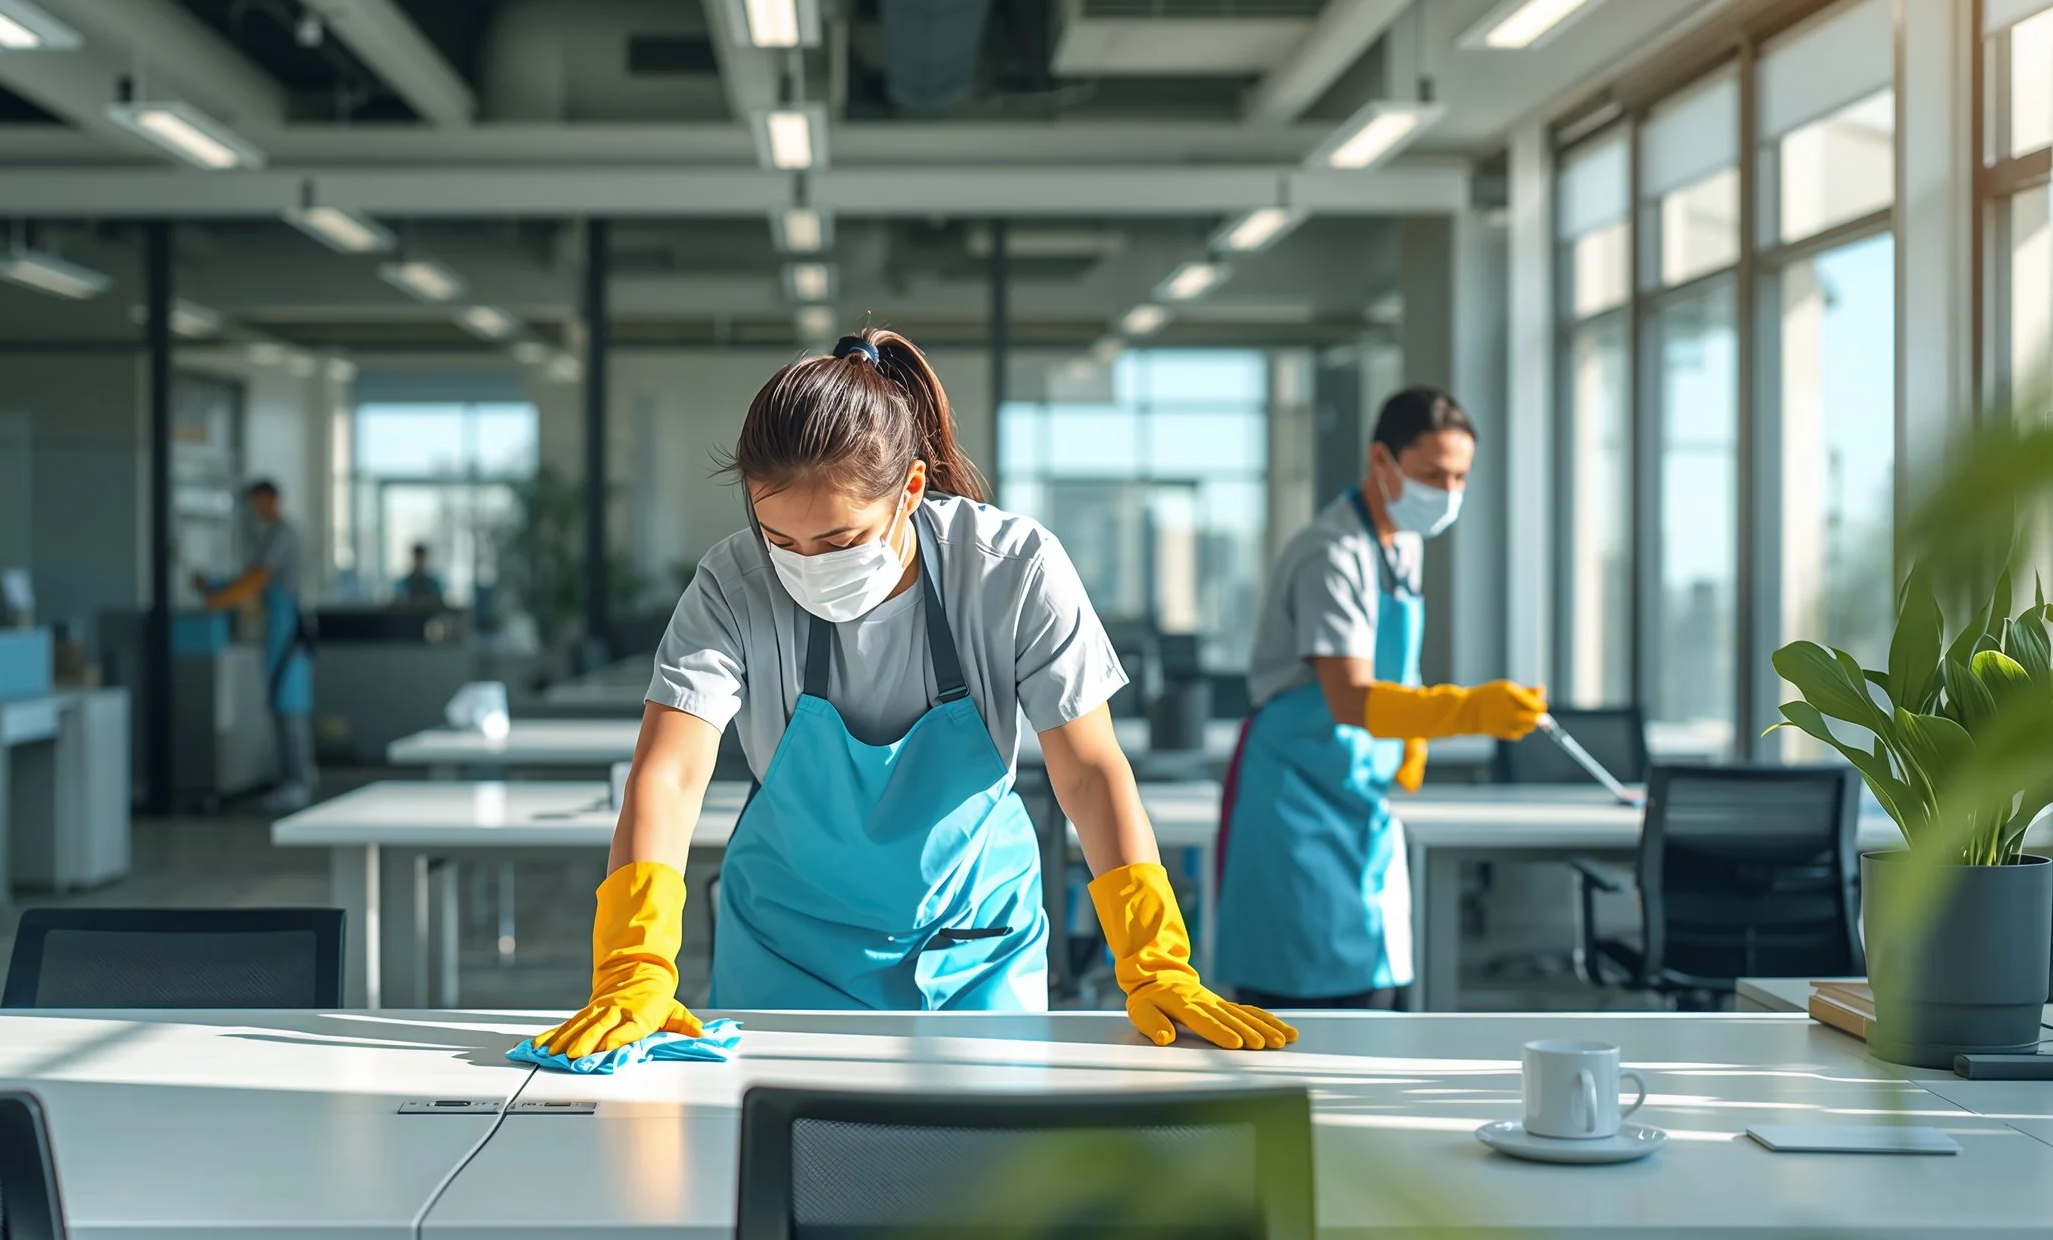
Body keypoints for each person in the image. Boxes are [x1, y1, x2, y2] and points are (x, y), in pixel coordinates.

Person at [531, 329, 1295, 1060]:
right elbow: (669, 773)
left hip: (976, 947)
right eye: (782, 540)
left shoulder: (1010, 570)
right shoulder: (734, 584)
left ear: (912, 490)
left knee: (984, 1182)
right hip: (790, 952)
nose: (806, 566)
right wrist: (634, 961)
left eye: (837, 541)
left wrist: (1154, 961)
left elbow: (1090, 771)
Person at [1208, 388, 1546, 1010]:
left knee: (1371, 987)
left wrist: (1410, 735)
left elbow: (1396, 667)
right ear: (1381, 461)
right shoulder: (1331, 553)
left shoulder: (1400, 544)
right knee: (1294, 1002)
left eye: (1459, 476)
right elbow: (1349, 699)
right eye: (1431, 475)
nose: (1447, 491)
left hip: (1357, 791)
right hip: (1293, 797)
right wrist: (1468, 713)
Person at [197, 480, 317, 812]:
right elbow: (249, 577)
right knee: (281, 709)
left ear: (270, 499)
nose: (253, 510)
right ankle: (294, 778)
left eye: (256, 502)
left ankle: (299, 781)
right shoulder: (269, 535)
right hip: (276, 632)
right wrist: (217, 588)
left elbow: (257, 578)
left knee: (290, 709)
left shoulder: (283, 534)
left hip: (289, 633)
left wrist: (219, 600)